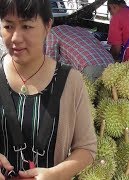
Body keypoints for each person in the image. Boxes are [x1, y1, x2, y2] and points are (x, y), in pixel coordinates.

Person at [0, 0, 97, 179]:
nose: (15, 37)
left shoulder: (71, 80)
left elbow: (86, 149)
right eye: (8, 26)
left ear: (47, 25)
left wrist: (55, 174)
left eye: (27, 26)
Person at [46, 25, 114, 81]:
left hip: (91, 67)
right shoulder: (79, 30)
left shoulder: (51, 33)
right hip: (112, 65)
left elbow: (51, 63)